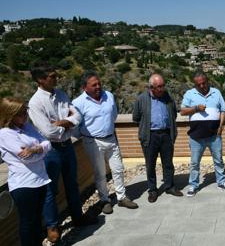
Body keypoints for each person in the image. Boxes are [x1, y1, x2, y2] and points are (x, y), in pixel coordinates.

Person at [28, 65, 96, 243]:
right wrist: (68, 124)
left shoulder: (61, 94)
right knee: (50, 189)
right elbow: (48, 131)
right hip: (51, 150)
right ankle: (52, 226)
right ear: (40, 80)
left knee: (72, 183)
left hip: (67, 146)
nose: (56, 78)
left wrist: (64, 122)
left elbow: (78, 116)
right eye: (51, 76)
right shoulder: (35, 103)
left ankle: (77, 217)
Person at [73, 71, 138, 214]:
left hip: (111, 138)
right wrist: (86, 137)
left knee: (118, 169)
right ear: (85, 88)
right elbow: (75, 126)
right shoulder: (78, 103)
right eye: (94, 85)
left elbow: (113, 115)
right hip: (93, 142)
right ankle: (105, 200)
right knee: (100, 173)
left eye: (99, 83)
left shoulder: (109, 96)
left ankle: (122, 197)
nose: (98, 86)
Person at [0, 97, 51, 246]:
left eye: (25, 110)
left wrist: (36, 148)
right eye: (21, 112)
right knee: (28, 222)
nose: (25, 114)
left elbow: (47, 143)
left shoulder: (27, 127)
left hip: (40, 180)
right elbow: (27, 159)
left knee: (36, 220)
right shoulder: (5, 134)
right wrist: (41, 148)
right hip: (24, 185)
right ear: (10, 114)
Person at [133, 74, 183, 203]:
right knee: (150, 164)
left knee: (168, 163)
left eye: (163, 86)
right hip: (151, 136)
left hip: (166, 134)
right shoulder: (141, 99)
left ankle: (169, 186)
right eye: (159, 87)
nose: (162, 89)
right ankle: (153, 190)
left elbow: (173, 114)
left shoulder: (167, 97)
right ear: (151, 87)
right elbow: (136, 117)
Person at [180, 72, 225, 197]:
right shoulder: (190, 93)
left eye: (204, 83)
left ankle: (221, 182)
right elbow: (182, 111)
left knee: (218, 160)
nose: (202, 86)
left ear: (208, 81)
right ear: (195, 84)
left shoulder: (216, 92)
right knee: (195, 163)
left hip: (214, 135)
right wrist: (196, 108)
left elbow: (223, 110)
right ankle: (193, 185)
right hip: (196, 137)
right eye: (199, 84)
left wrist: (221, 127)